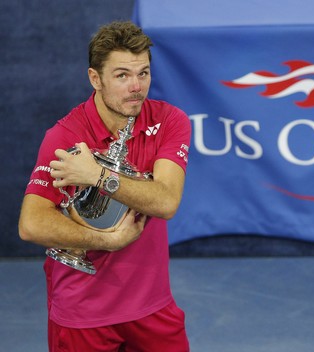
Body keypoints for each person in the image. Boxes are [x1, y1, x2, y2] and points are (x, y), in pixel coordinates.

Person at [18, 21, 191, 351]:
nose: (136, 87)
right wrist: (104, 240)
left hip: (152, 308)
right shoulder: (64, 136)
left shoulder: (169, 121)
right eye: (122, 75)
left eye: (143, 73)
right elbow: (31, 223)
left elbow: (166, 202)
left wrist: (98, 176)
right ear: (95, 79)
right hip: (82, 314)